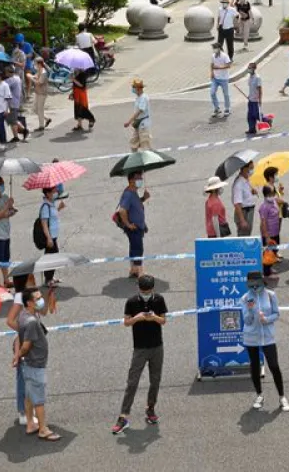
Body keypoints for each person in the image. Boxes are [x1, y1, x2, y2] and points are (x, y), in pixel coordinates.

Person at [113, 274, 167, 433]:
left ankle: (150, 408)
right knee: (132, 382)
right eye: (143, 291)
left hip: (157, 347)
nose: (146, 294)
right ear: (138, 289)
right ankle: (123, 416)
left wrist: (154, 318)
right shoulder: (131, 302)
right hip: (140, 349)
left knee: (155, 380)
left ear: (153, 289)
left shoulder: (159, 299)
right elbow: (126, 322)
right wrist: (137, 318)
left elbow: (163, 320)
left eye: (148, 291)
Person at [241, 271, 289, 411]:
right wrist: (250, 311)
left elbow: (276, 314)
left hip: (268, 337)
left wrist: (266, 319)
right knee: (255, 366)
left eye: (257, 283)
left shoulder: (270, 295)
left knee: (274, 366)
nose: (255, 287)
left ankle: (282, 397)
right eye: (252, 284)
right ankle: (259, 395)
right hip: (251, 337)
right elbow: (247, 321)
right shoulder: (245, 298)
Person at [14, 287, 59, 440]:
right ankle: (43, 429)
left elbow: (45, 311)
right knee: (39, 398)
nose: (41, 300)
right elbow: (26, 345)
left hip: (28, 364)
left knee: (29, 396)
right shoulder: (32, 321)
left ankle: (30, 424)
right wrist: (18, 356)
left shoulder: (24, 315)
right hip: (35, 364)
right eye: (38, 298)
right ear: (29, 303)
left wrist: (50, 296)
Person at [117, 172, 149, 279]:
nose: (141, 179)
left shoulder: (133, 192)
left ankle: (133, 269)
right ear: (131, 180)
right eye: (138, 178)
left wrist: (144, 198)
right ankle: (140, 273)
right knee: (138, 249)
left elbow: (135, 205)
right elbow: (122, 210)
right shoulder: (128, 194)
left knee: (134, 248)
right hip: (134, 228)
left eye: (141, 177)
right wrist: (128, 224)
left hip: (138, 226)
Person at [37, 186, 63, 285]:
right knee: (51, 257)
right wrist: (49, 238)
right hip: (50, 237)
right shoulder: (45, 206)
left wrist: (59, 208)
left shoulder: (51, 204)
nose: (56, 193)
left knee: (53, 256)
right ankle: (48, 280)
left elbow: (53, 217)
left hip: (53, 236)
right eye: (54, 191)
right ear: (47, 193)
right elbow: (44, 223)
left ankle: (50, 277)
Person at [124, 78, 153, 150]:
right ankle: (135, 157)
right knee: (133, 142)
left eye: (134, 87)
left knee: (145, 143)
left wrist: (129, 122)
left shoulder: (143, 98)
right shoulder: (138, 97)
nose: (132, 89)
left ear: (138, 88)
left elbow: (139, 112)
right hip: (138, 123)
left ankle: (148, 158)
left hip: (143, 124)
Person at [258, 184, 283, 267]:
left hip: (275, 232)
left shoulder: (274, 201)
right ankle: (267, 272)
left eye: (274, 193)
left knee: (275, 249)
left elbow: (280, 200)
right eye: (271, 194)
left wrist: (280, 191)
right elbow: (263, 222)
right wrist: (267, 237)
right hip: (269, 234)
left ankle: (271, 264)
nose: (273, 195)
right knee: (268, 254)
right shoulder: (264, 207)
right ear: (266, 195)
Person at [231, 162, 257, 237]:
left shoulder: (246, 180)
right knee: (243, 238)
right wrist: (242, 220)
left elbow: (245, 195)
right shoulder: (239, 184)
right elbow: (237, 203)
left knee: (247, 236)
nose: (252, 170)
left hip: (248, 212)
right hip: (244, 213)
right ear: (245, 169)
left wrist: (252, 192)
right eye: (251, 168)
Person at [208, 43, 232, 119]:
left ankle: (227, 109)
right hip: (215, 78)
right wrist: (211, 73)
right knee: (212, 93)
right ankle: (216, 108)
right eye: (213, 48)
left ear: (219, 48)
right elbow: (212, 65)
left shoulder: (224, 56)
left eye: (215, 48)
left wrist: (219, 67)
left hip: (224, 78)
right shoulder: (213, 56)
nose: (214, 49)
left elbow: (228, 65)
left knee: (226, 94)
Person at [243, 61, 268, 137]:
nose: (248, 69)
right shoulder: (250, 77)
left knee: (256, 115)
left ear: (254, 69)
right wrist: (249, 96)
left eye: (249, 68)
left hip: (255, 100)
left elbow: (260, 89)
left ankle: (267, 120)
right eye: (248, 68)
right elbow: (251, 88)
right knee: (250, 115)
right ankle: (252, 129)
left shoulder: (257, 78)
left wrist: (260, 99)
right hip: (250, 99)